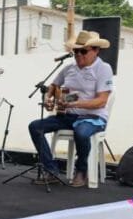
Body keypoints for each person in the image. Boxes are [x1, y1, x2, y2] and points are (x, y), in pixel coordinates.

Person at [28, 30, 114, 188]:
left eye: (83, 51)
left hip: (93, 117)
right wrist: (48, 99)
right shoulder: (69, 68)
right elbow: (54, 86)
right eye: (76, 51)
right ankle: (51, 170)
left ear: (96, 50)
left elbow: (101, 101)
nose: (78, 55)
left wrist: (75, 104)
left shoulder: (103, 68)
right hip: (68, 116)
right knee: (35, 127)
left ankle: (82, 171)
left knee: (81, 132)